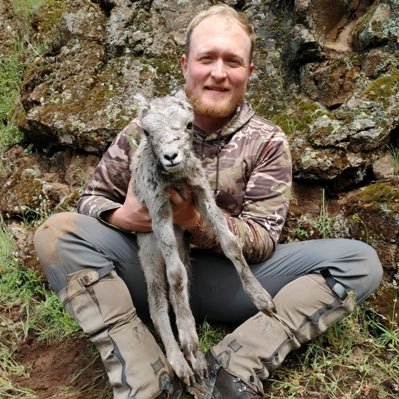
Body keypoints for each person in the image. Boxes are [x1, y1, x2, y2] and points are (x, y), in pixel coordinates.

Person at [33, 4, 383, 399]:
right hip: (152, 274)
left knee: (359, 263)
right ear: (185, 65)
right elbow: (92, 199)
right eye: (207, 58)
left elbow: (264, 239)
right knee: (58, 233)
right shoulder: (143, 129)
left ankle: (234, 366)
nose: (218, 72)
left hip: (230, 284)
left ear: (249, 72)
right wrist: (125, 216)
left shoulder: (268, 141)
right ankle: (148, 378)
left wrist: (193, 220)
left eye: (232, 61)